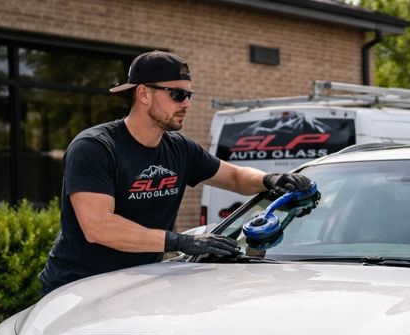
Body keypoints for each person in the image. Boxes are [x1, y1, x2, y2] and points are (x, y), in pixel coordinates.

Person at [39, 50, 312, 294]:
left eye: (189, 95)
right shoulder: (95, 148)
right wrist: (183, 242)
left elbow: (234, 176)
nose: (187, 104)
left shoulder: (180, 149)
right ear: (143, 93)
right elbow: (99, 227)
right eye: (178, 94)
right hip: (77, 290)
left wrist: (271, 179)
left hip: (135, 287)